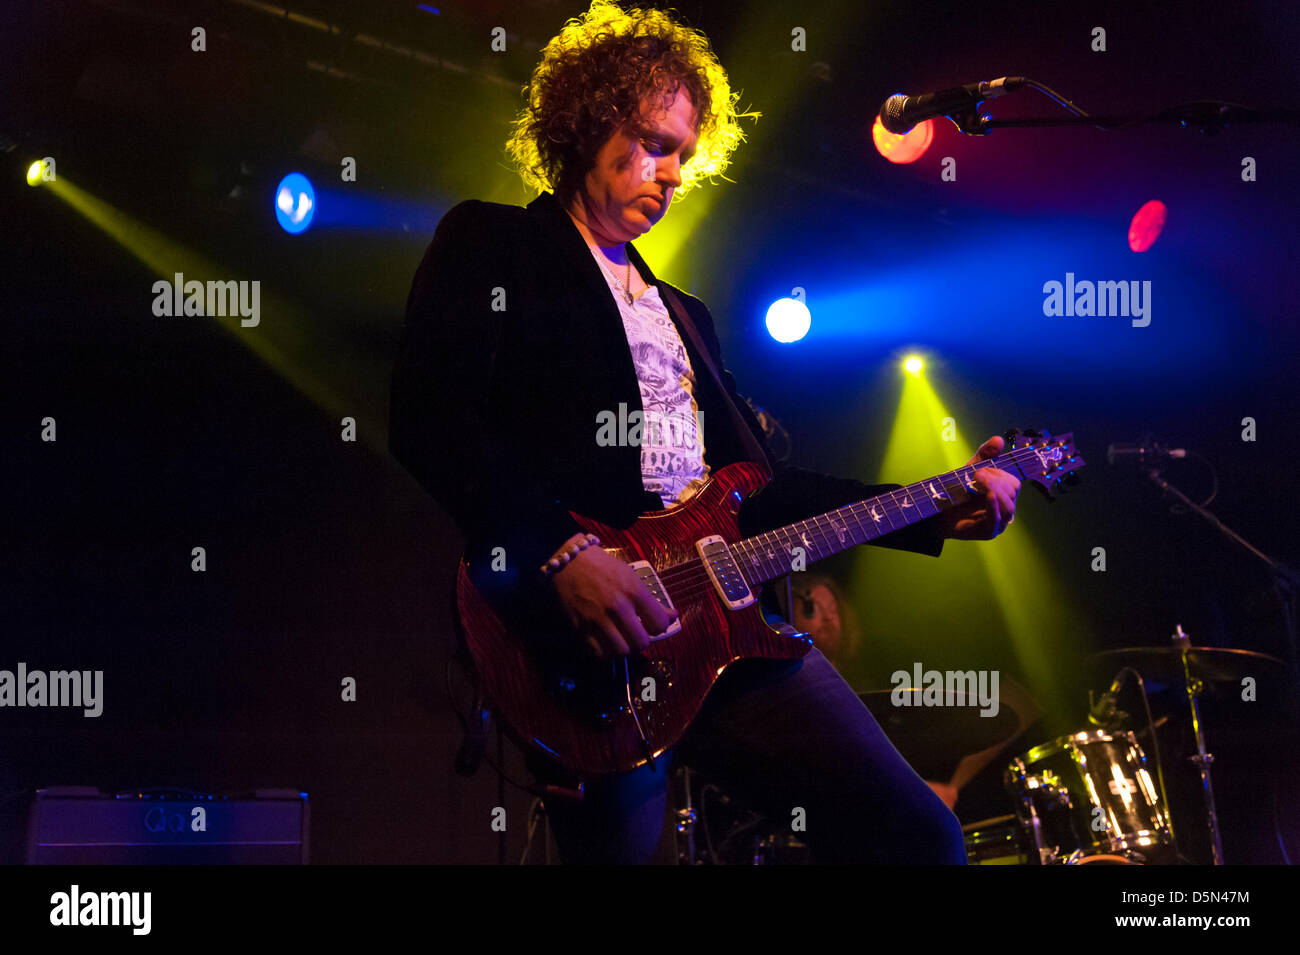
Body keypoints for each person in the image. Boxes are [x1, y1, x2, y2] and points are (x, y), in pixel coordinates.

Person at [389, 0, 1020, 864]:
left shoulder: (687, 316)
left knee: (920, 837)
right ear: (585, 124)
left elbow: (763, 493)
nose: (673, 172)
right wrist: (562, 553)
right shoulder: (495, 244)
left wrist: (939, 501)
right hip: (582, 640)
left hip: (725, 627)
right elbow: (431, 417)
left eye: (685, 153)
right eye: (655, 142)